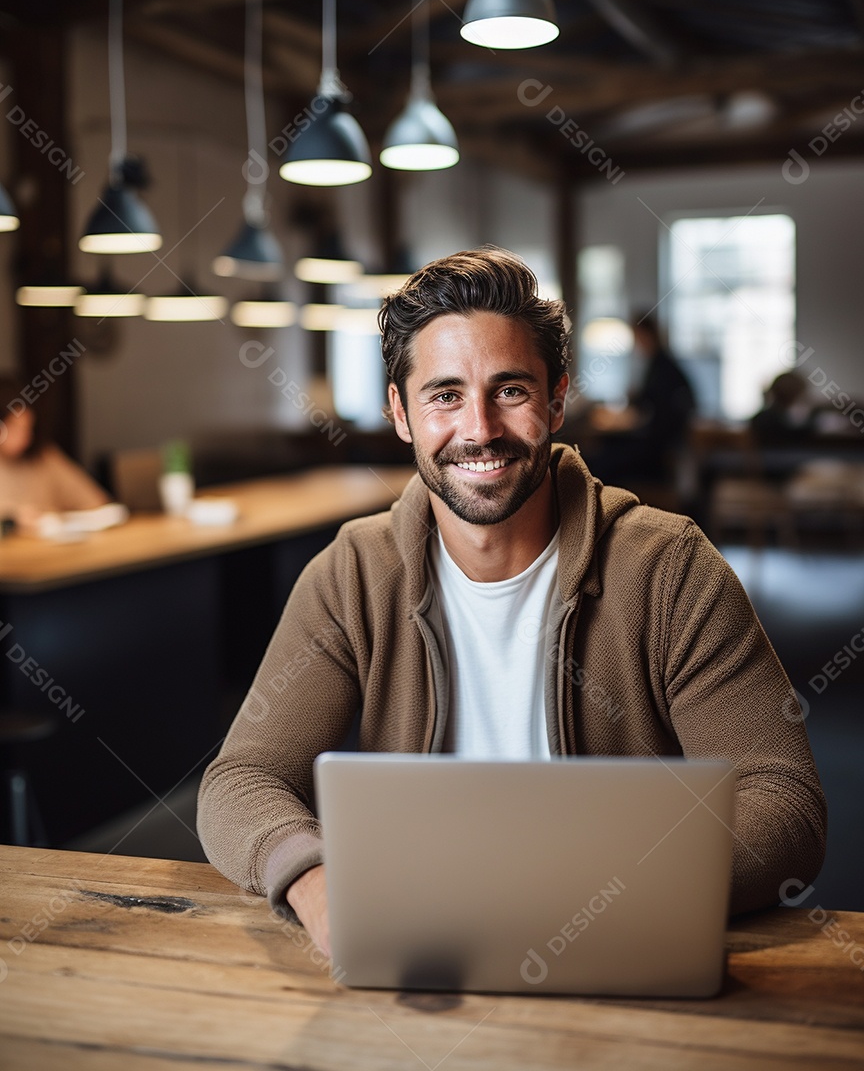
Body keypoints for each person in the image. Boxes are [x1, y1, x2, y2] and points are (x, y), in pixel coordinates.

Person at [198, 247, 826, 958]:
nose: (479, 429)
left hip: (617, 946)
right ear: (400, 413)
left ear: (557, 399)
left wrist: (594, 893)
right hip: (420, 951)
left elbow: (783, 804)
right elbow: (241, 780)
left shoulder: (670, 569)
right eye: (445, 395)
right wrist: (318, 884)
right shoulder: (352, 574)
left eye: (511, 391)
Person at [588, 314, 696, 484]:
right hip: (657, 442)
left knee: (600, 461)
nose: (637, 344)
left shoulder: (663, 368)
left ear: (648, 335)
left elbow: (658, 410)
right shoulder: (659, 364)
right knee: (605, 450)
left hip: (657, 448)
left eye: (637, 337)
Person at [0, 377, 112, 530]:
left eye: (27, 428)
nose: (24, 437)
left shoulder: (43, 457)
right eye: (14, 427)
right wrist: (12, 517)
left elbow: (94, 500)